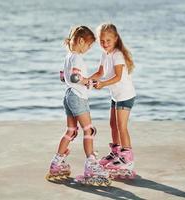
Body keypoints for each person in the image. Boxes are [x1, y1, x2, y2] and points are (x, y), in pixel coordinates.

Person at [46, 25, 110, 186]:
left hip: (68, 95)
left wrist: (81, 80)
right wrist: (87, 81)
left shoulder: (68, 56)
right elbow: (75, 78)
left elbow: (63, 77)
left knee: (71, 131)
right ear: (81, 41)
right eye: (89, 45)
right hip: (77, 96)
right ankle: (91, 165)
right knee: (89, 130)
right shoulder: (77, 58)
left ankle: (56, 163)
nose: (88, 49)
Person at [89, 23, 136, 179]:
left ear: (115, 39)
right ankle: (116, 153)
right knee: (112, 125)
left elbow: (117, 77)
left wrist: (102, 84)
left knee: (121, 126)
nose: (105, 44)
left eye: (108, 40)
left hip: (125, 94)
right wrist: (87, 80)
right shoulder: (105, 53)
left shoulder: (117, 55)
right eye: (102, 41)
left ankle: (127, 158)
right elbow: (100, 72)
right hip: (116, 95)